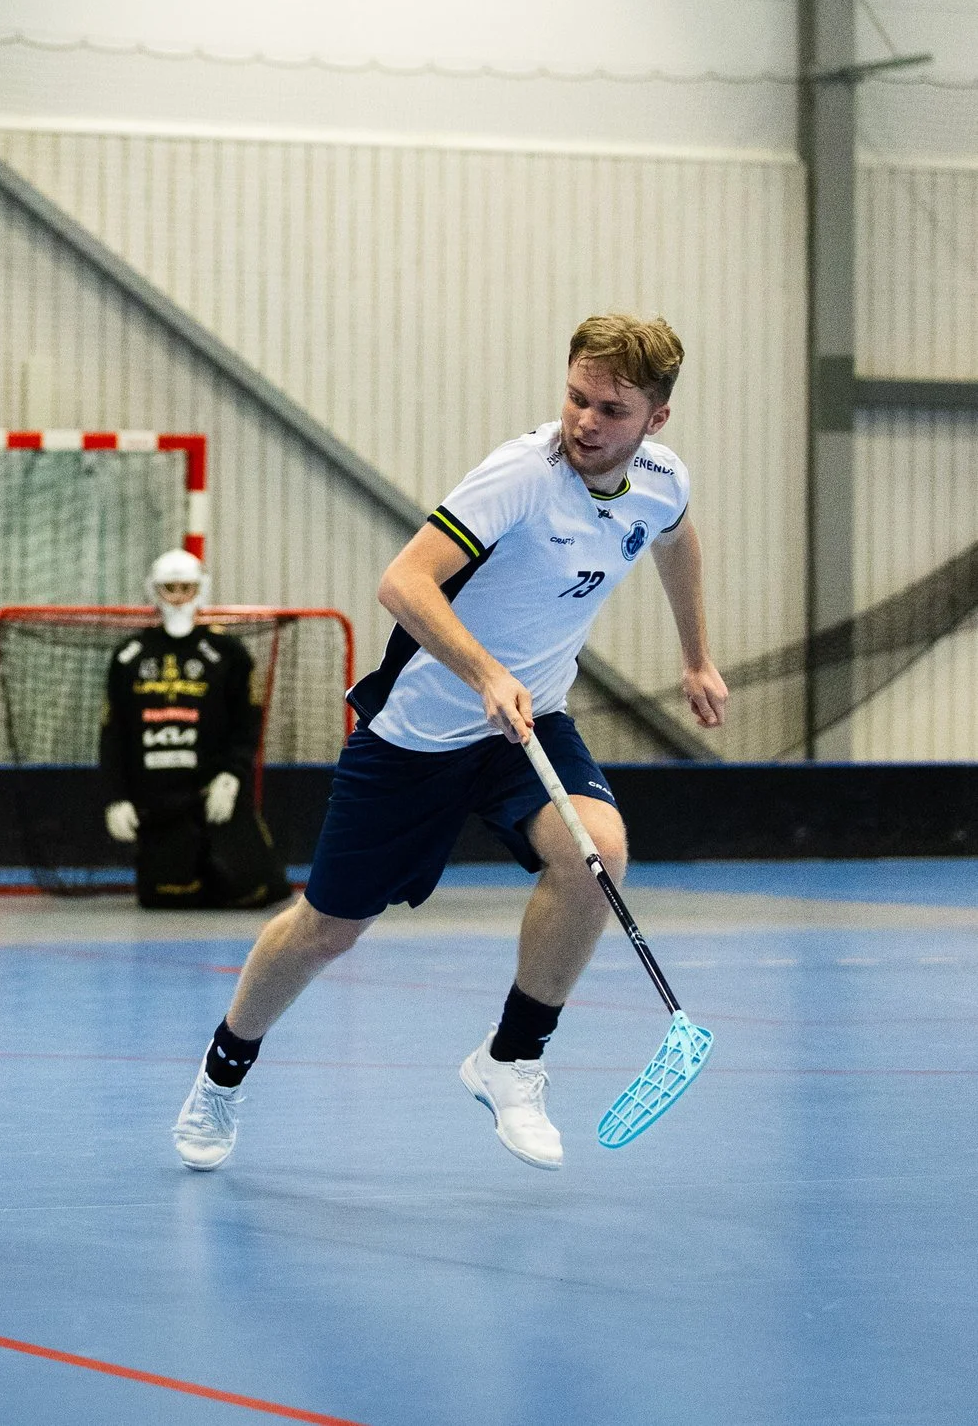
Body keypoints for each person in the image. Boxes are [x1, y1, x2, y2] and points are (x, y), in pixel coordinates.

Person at [170, 313, 726, 1172]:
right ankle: (223, 1070)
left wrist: (698, 657)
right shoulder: (522, 476)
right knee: (327, 928)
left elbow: (678, 538)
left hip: (527, 723)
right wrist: (482, 671)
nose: (585, 420)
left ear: (655, 419)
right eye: (576, 397)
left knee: (596, 854)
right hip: (419, 734)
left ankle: (510, 1059)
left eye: (611, 409)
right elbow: (402, 582)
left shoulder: (661, 481)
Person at [101, 551, 289, 909]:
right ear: (154, 592)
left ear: (200, 590)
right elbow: (113, 734)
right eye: (168, 588)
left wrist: (231, 778)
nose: (178, 597)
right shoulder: (129, 656)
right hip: (158, 802)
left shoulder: (227, 653)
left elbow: (246, 725)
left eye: (186, 588)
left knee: (258, 891)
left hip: (213, 793)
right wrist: (116, 797)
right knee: (165, 897)